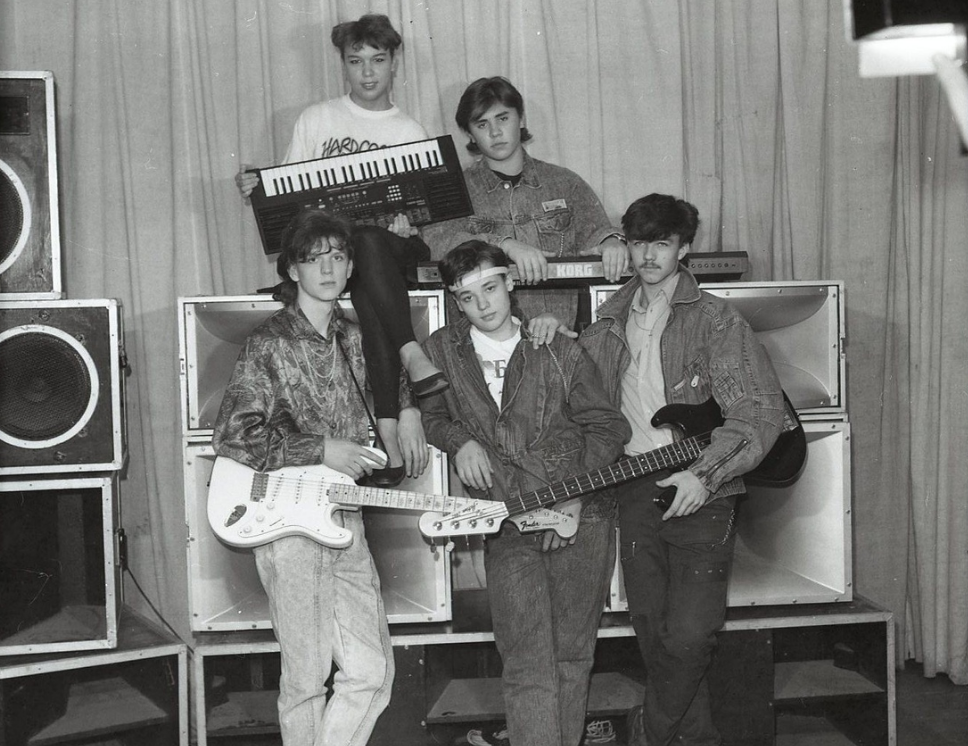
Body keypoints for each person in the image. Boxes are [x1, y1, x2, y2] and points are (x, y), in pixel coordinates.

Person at [212, 208, 428, 745]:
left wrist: (408, 408)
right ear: (293, 271)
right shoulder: (269, 343)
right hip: (288, 525)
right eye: (314, 259)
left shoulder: (358, 339)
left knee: (371, 672)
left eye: (337, 257)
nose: (328, 269)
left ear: (352, 266)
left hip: (344, 518)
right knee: (305, 681)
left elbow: (393, 389)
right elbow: (233, 434)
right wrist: (321, 449)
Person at [579, 194, 785, 746]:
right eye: (638, 243)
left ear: (684, 248)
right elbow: (587, 413)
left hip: (702, 486)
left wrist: (704, 475)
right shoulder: (605, 323)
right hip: (634, 485)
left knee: (692, 634)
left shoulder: (715, 319)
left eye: (662, 243)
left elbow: (759, 412)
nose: (648, 256)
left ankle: (649, 732)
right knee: (653, 632)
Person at [418, 240, 631, 746]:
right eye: (467, 297)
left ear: (511, 282)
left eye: (490, 288)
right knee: (525, 660)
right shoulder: (442, 350)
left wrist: (571, 496)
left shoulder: (555, 345)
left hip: (580, 513)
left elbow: (608, 429)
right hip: (509, 519)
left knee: (571, 656)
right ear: (454, 300)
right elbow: (431, 416)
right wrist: (460, 441)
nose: (483, 304)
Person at [236, 13, 444, 486]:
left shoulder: (410, 131)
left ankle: (393, 407)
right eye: (356, 61)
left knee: (369, 240)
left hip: (393, 248)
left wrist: (407, 222)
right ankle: (398, 395)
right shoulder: (317, 119)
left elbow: (423, 213)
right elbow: (290, 197)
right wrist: (256, 187)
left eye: (378, 60)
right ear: (344, 65)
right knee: (364, 277)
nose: (367, 72)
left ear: (394, 63)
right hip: (348, 257)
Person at [421, 76, 629, 332]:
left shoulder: (565, 183)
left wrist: (611, 243)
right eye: (482, 124)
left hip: (559, 336)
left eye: (503, 118)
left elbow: (598, 233)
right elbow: (438, 242)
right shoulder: (451, 189)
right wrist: (505, 244)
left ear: (521, 119)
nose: (495, 132)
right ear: (469, 134)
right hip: (482, 342)